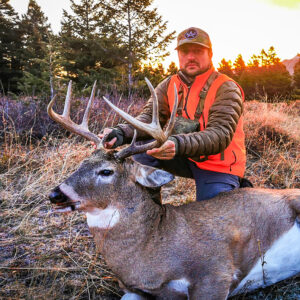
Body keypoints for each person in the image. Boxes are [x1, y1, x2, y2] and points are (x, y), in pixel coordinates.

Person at [100, 27, 246, 201]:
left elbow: (220, 135)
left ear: (210, 54)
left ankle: (236, 187)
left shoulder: (226, 87)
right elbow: (147, 119)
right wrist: (121, 133)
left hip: (218, 165)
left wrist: (176, 144)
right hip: (181, 154)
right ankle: (150, 209)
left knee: (211, 222)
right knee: (141, 149)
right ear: (178, 55)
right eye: (185, 51)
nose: (190, 57)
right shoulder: (170, 84)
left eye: (198, 51)